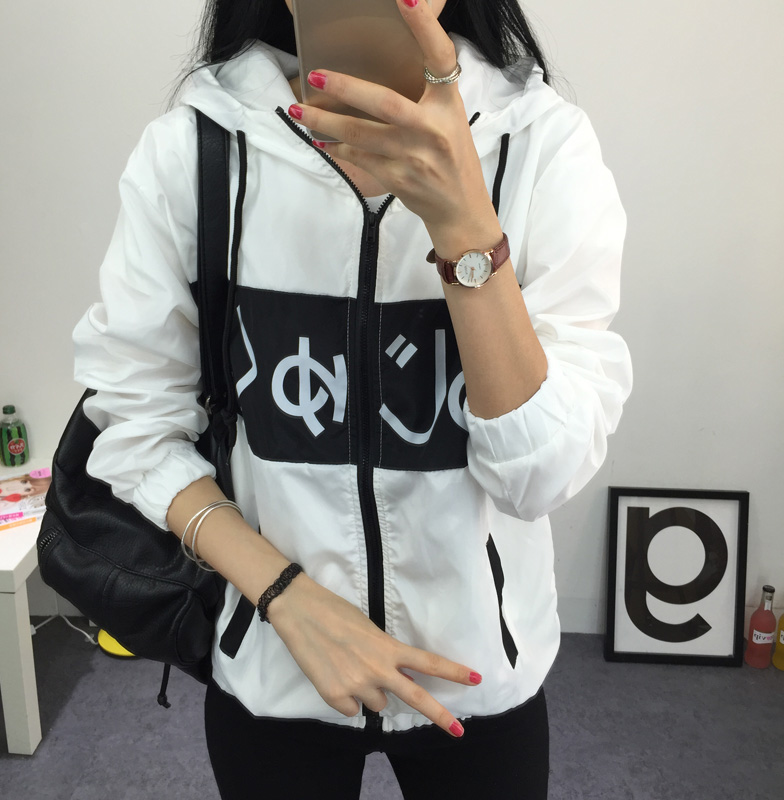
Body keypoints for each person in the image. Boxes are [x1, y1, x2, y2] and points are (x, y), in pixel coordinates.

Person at [72, 0, 632, 797]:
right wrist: (285, 597)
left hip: (477, 676)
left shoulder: (542, 144)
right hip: (275, 658)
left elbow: (538, 479)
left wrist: (464, 225)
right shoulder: (194, 149)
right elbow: (137, 427)